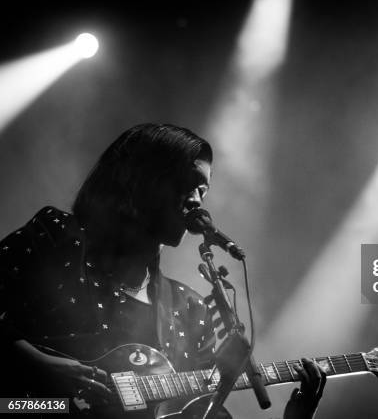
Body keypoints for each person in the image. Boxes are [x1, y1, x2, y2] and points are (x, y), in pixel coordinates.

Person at [0, 123, 326, 419]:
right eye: (189, 185)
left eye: (204, 191)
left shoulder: (188, 309)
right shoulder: (57, 236)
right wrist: (36, 364)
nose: (198, 201)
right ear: (143, 179)